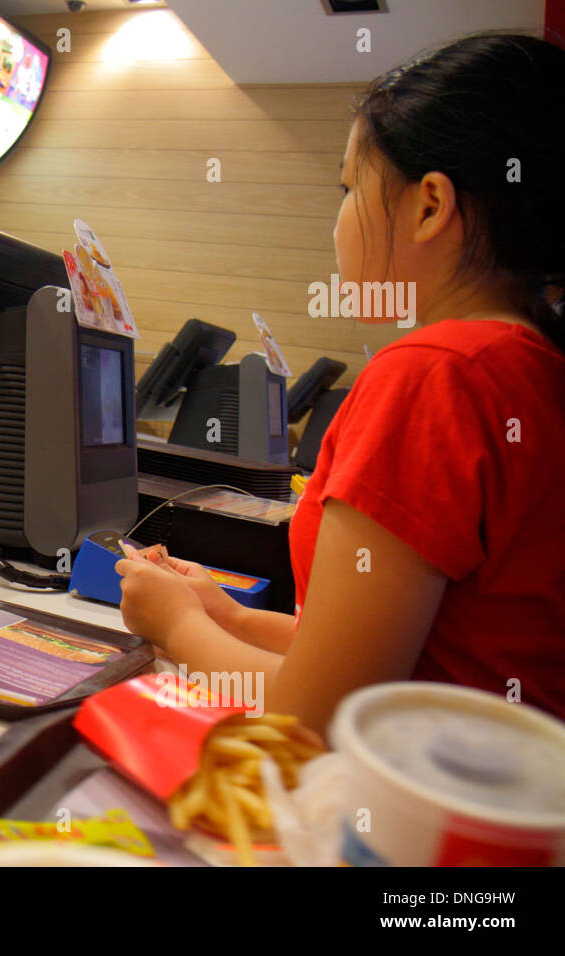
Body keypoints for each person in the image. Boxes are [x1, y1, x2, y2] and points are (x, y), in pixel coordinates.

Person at [115, 34, 565, 732]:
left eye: (350, 188)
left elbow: (317, 710)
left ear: (429, 206)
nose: (340, 220)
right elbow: (393, 659)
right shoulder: (527, 360)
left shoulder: (434, 373)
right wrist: (226, 615)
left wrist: (175, 628)